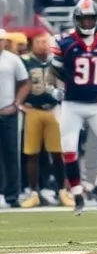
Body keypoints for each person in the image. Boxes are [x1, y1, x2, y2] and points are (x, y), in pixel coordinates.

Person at [53, 0, 97, 214]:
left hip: (96, 104)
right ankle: (77, 195)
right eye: (84, 19)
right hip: (72, 104)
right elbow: (54, 70)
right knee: (69, 150)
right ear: (76, 19)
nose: (87, 22)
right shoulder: (64, 42)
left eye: (91, 18)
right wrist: (57, 87)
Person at [19, 33, 67, 208]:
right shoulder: (24, 61)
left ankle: (62, 191)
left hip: (53, 109)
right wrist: (20, 103)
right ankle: (33, 192)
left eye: (44, 41)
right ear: (32, 44)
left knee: (57, 152)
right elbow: (20, 83)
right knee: (31, 153)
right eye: (38, 41)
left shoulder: (57, 61)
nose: (41, 44)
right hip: (33, 110)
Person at [0, 32, 30, 208]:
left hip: (7, 111)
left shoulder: (13, 60)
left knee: (11, 154)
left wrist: (17, 102)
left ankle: (12, 195)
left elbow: (25, 82)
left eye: (2, 40)